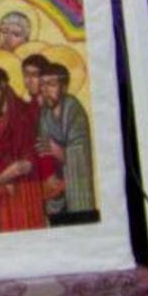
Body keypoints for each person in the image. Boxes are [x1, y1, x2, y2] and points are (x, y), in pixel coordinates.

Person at [0, 67, 47, 233]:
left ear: (4, 86)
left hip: (26, 191)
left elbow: (25, 165)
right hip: (1, 198)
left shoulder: (24, 114)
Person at [35, 58, 95, 222]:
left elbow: (81, 155)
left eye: (51, 84)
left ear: (64, 87)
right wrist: (49, 176)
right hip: (57, 190)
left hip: (77, 186)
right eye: (42, 85)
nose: (45, 90)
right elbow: (43, 150)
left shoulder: (74, 110)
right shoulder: (45, 114)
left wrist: (58, 151)